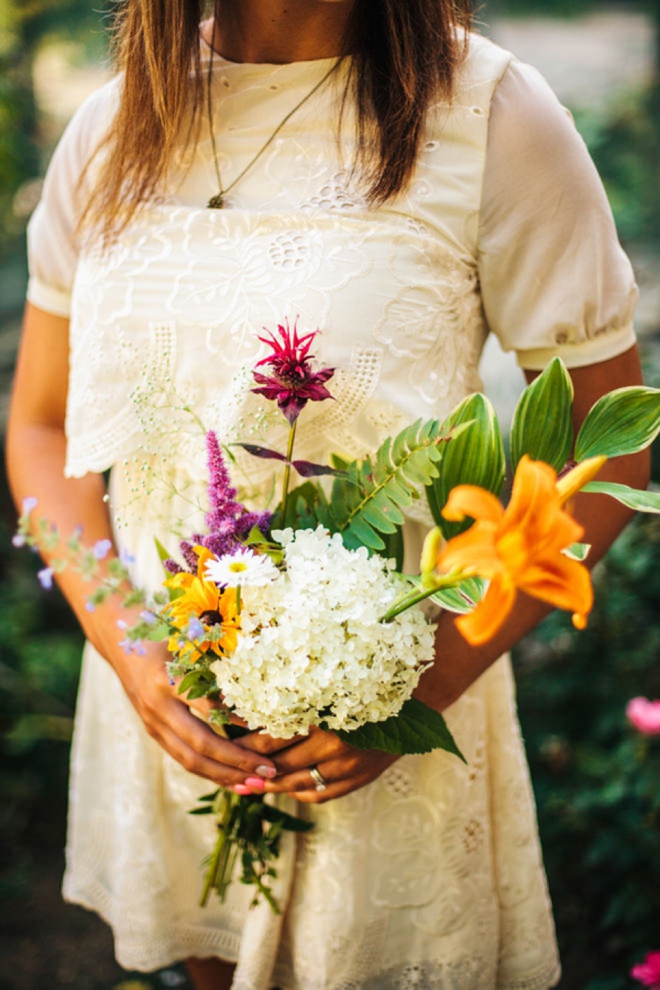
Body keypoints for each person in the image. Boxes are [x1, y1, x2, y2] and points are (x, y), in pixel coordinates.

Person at [6, 1, 650, 988]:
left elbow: (612, 451)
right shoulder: (114, 126)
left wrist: (426, 684)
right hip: (171, 710)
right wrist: (135, 654)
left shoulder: (491, 117)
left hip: (384, 721)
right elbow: (42, 426)